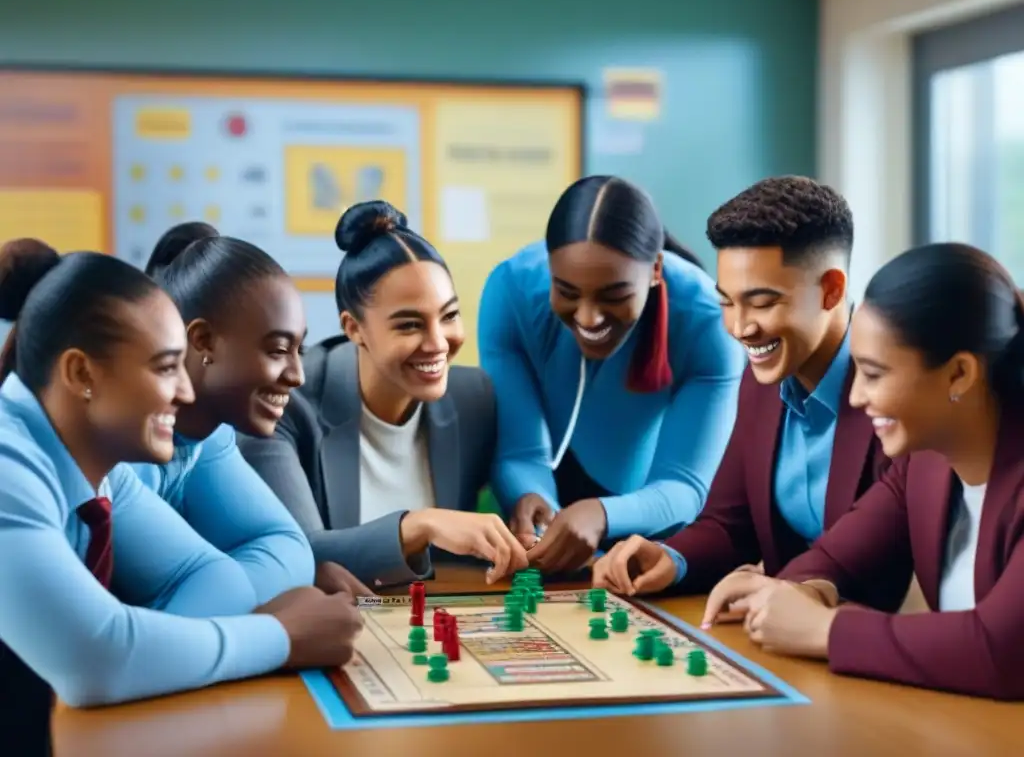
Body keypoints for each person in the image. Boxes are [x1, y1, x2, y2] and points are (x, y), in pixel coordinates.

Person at [0, 239, 361, 754]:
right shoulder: (7, 464)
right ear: (82, 374)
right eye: (166, 367)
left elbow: (212, 576)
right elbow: (96, 660)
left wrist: (149, 654)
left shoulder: (97, 469)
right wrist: (281, 637)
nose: (188, 392)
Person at [701, 242, 1024, 700]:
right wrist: (794, 591)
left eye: (873, 374)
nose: (855, 398)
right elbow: (837, 559)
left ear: (959, 374)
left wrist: (827, 630)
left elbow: (1002, 652)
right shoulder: (923, 464)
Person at [591, 176, 895, 601]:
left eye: (762, 302)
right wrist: (671, 558)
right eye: (727, 302)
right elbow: (730, 524)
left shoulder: (897, 389)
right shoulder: (761, 379)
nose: (740, 328)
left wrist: (781, 591)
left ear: (831, 290)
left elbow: (872, 555)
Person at [240, 202, 528, 587]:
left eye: (449, 315)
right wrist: (420, 524)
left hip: (425, 623)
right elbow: (297, 552)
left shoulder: (474, 398)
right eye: (410, 325)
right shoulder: (286, 403)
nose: (438, 343)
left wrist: (530, 516)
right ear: (354, 328)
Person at [477, 175, 746, 573]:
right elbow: (521, 451)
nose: (588, 317)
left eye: (614, 295)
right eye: (566, 292)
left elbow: (685, 486)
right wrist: (531, 499)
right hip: (552, 489)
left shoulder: (709, 320)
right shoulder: (511, 289)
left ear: (656, 269)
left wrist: (601, 514)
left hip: (650, 516)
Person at [134, 224, 347, 604]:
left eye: (300, 348)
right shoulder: (125, 448)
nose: (297, 376)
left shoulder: (209, 436)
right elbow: (168, 613)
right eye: (278, 350)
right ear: (203, 340)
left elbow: (290, 549)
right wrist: (272, 616)